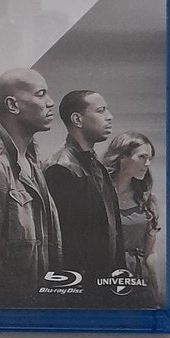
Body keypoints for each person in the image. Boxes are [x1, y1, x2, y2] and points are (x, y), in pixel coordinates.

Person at [0, 69, 64, 305]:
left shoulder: (33, 157)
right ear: (13, 105)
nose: (50, 102)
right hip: (12, 307)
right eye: (40, 94)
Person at [44, 90, 125, 287]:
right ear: (77, 119)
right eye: (101, 110)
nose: (109, 117)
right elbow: (66, 244)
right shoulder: (60, 168)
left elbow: (112, 231)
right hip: (84, 288)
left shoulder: (96, 165)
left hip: (105, 284)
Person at [104, 131, 161, 306]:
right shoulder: (98, 194)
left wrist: (156, 290)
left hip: (138, 280)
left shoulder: (146, 199)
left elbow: (150, 253)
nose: (147, 164)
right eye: (142, 157)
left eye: (150, 158)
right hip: (103, 278)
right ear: (122, 157)